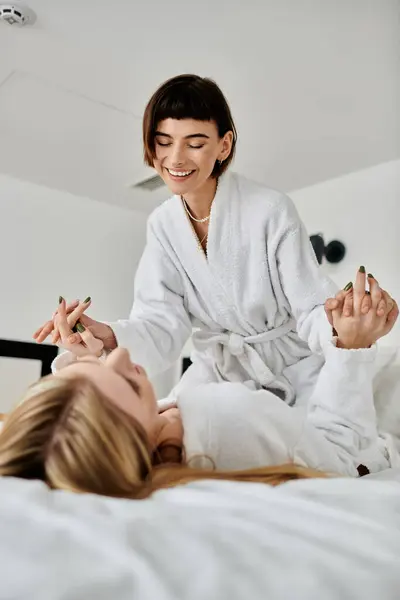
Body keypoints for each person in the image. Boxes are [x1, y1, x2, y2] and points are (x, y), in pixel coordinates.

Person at [32, 74, 398, 408]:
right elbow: (161, 324)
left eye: (195, 144)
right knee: (165, 427)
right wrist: (108, 335)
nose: (175, 159)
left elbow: (312, 307)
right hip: (220, 371)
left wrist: (346, 329)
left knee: (316, 449)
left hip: (296, 370)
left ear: (223, 146)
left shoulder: (270, 210)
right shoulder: (162, 225)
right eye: (163, 142)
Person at [1, 269, 398, 499]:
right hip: (369, 447)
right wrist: (353, 347)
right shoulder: (224, 420)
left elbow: (74, 426)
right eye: (126, 381)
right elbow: (343, 452)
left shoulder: (146, 432)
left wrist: (87, 359)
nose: (121, 357)